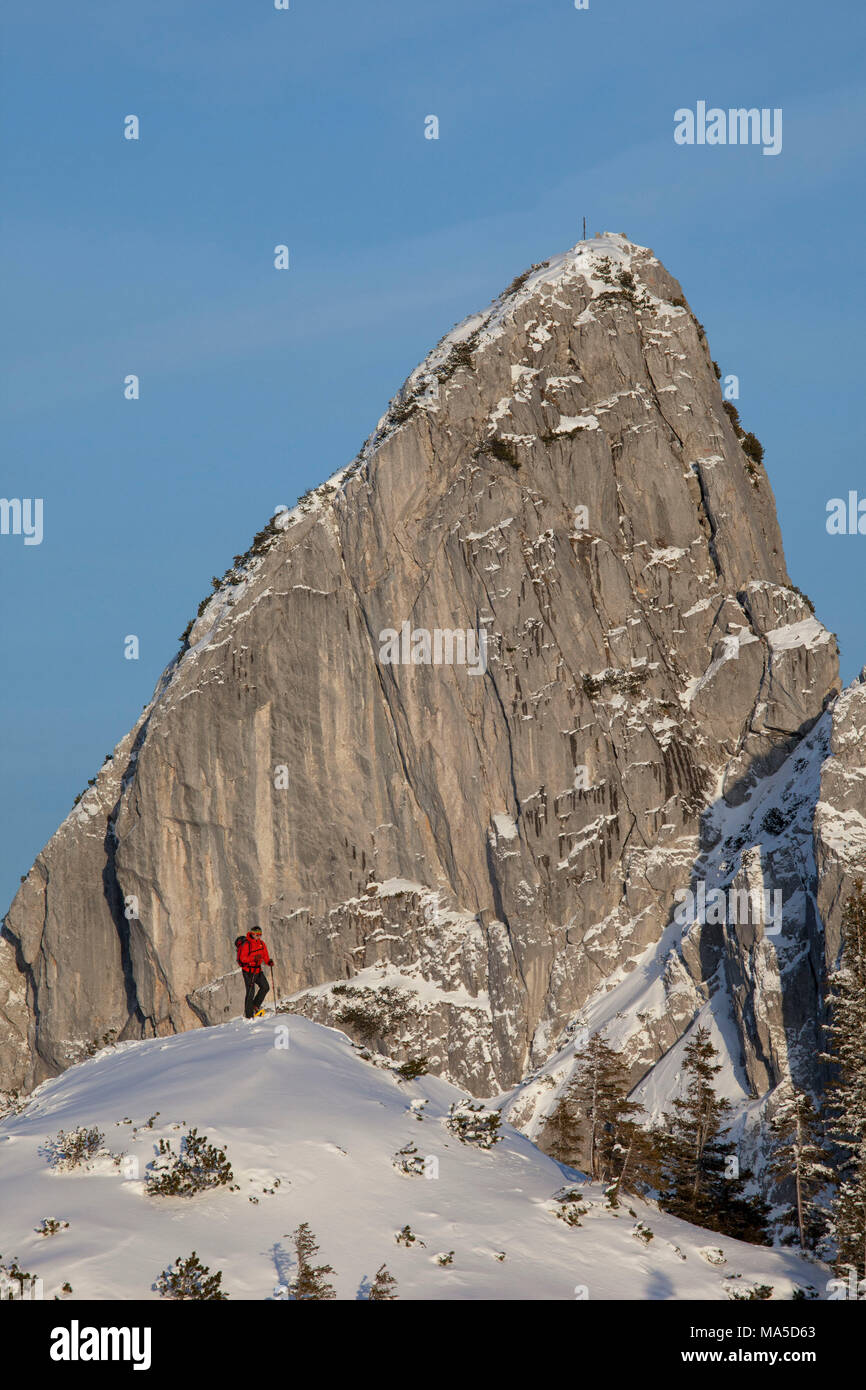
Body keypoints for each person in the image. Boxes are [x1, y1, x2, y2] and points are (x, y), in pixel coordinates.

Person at [236, 926, 274, 1018]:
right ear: (252, 934)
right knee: (250, 992)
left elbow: (265, 955)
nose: (258, 936)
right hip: (248, 971)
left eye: (260, 934)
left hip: (257, 970)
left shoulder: (261, 943)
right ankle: (248, 1015)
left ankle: (255, 1006)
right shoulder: (247, 944)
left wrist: (268, 962)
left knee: (265, 987)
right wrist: (253, 958)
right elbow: (242, 958)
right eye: (257, 934)